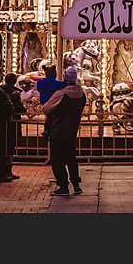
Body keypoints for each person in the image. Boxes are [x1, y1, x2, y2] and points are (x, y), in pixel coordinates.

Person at [42, 66, 87, 196]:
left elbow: (46, 109)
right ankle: (76, 185)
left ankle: (63, 186)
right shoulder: (81, 95)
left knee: (57, 160)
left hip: (57, 130)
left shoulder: (61, 93)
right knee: (71, 159)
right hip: (72, 130)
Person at [0, 72, 26, 180]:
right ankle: (7, 170)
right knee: (10, 147)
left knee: (3, 146)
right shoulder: (15, 93)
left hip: (1, 122)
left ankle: (4, 170)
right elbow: (19, 108)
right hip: (12, 122)